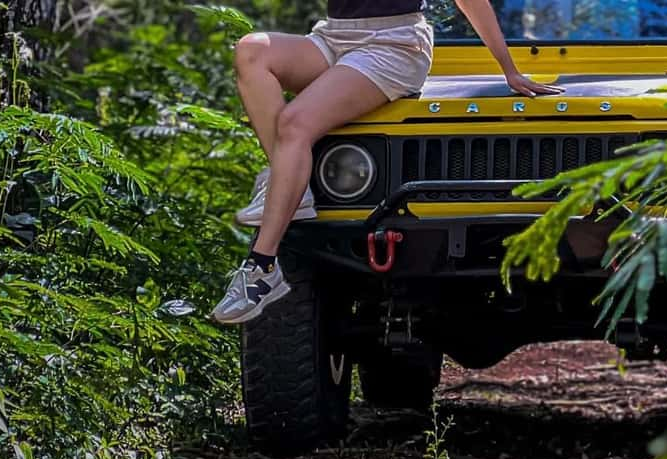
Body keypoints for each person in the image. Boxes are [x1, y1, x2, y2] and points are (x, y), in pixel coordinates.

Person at [211, 0, 563, 324]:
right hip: (335, 37)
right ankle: (290, 187)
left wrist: (508, 69)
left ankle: (262, 266)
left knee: (294, 123)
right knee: (251, 51)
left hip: (394, 45)